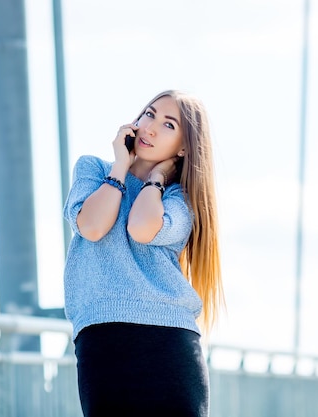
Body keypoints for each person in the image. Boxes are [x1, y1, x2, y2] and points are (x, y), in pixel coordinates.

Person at [63, 90, 224, 416]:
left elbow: (141, 228)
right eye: (149, 114)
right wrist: (121, 167)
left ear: (182, 147)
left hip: (169, 345)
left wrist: (157, 178)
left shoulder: (179, 200)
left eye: (168, 124)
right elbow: (92, 227)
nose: (150, 127)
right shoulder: (93, 170)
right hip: (102, 340)